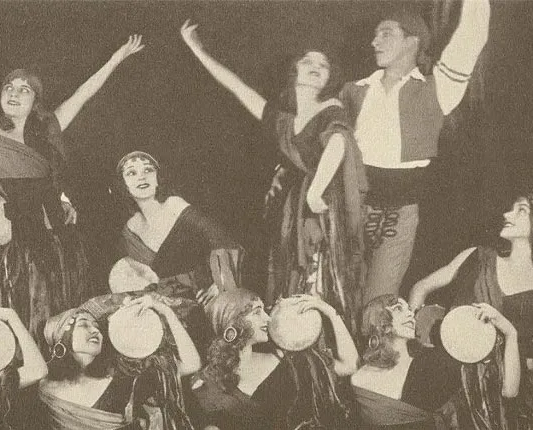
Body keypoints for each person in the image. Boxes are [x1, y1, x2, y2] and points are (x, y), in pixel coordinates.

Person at [0, 36, 143, 347]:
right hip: (15, 251)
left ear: (35, 102)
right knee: (21, 323)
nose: (14, 93)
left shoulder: (46, 132)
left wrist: (116, 59)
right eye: (9, 88)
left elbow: (83, 95)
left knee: (60, 320)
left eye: (24, 89)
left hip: (55, 242)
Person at [179, 21, 366, 324]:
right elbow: (236, 87)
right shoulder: (283, 121)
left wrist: (316, 191)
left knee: (318, 281)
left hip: (322, 211)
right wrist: (197, 50)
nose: (316, 66)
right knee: (289, 276)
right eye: (308, 61)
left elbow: (338, 142)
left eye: (323, 65)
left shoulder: (331, 108)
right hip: (293, 209)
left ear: (331, 77)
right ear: (294, 71)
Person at [339, 0, 491, 304]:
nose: (374, 41)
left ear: (412, 41)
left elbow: (472, 35)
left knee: (377, 304)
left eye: (385, 33)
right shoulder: (352, 91)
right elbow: (319, 140)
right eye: (375, 35)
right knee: (337, 297)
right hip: (347, 206)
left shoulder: (436, 90)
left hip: (399, 214)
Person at [407, 194, 533, 428]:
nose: (506, 214)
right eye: (511, 209)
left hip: (501, 400)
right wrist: (412, 341)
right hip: (443, 379)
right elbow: (421, 287)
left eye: (521, 210)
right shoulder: (477, 256)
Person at [189, 289, 358, 430]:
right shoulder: (207, 384)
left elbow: (350, 365)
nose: (268, 318)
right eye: (257, 312)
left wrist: (330, 312)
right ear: (232, 322)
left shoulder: (289, 360)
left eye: (264, 310)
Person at [351, 295, 520, 429]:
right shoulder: (359, 378)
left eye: (409, 309)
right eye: (398, 309)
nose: (410, 314)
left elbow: (510, 391)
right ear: (381, 323)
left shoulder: (434, 364)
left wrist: (510, 332)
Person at [38, 295, 201, 429]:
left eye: (97, 326)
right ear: (60, 337)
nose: (95, 330)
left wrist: (165, 311)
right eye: (84, 324)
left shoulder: (124, 375)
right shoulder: (46, 391)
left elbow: (191, 364)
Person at [116, 150, 243, 306]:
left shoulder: (174, 205)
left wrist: (220, 283)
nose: (141, 177)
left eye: (148, 170)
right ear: (124, 185)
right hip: (166, 299)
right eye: (131, 173)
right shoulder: (130, 228)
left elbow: (222, 239)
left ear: (158, 178)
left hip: (203, 294)